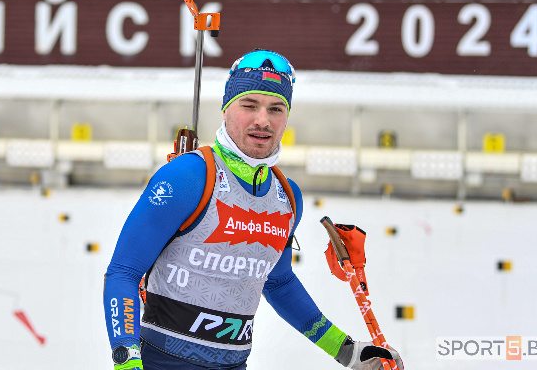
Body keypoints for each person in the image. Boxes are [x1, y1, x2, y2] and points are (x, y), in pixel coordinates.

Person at [103, 49, 404, 370]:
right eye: (249, 105)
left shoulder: (286, 196)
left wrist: (346, 351)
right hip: (162, 363)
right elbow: (124, 272)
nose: (263, 120)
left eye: (276, 108)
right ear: (226, 108)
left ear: (287, 117)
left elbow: (278, 282)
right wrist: (126, 358)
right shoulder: (188, 176)